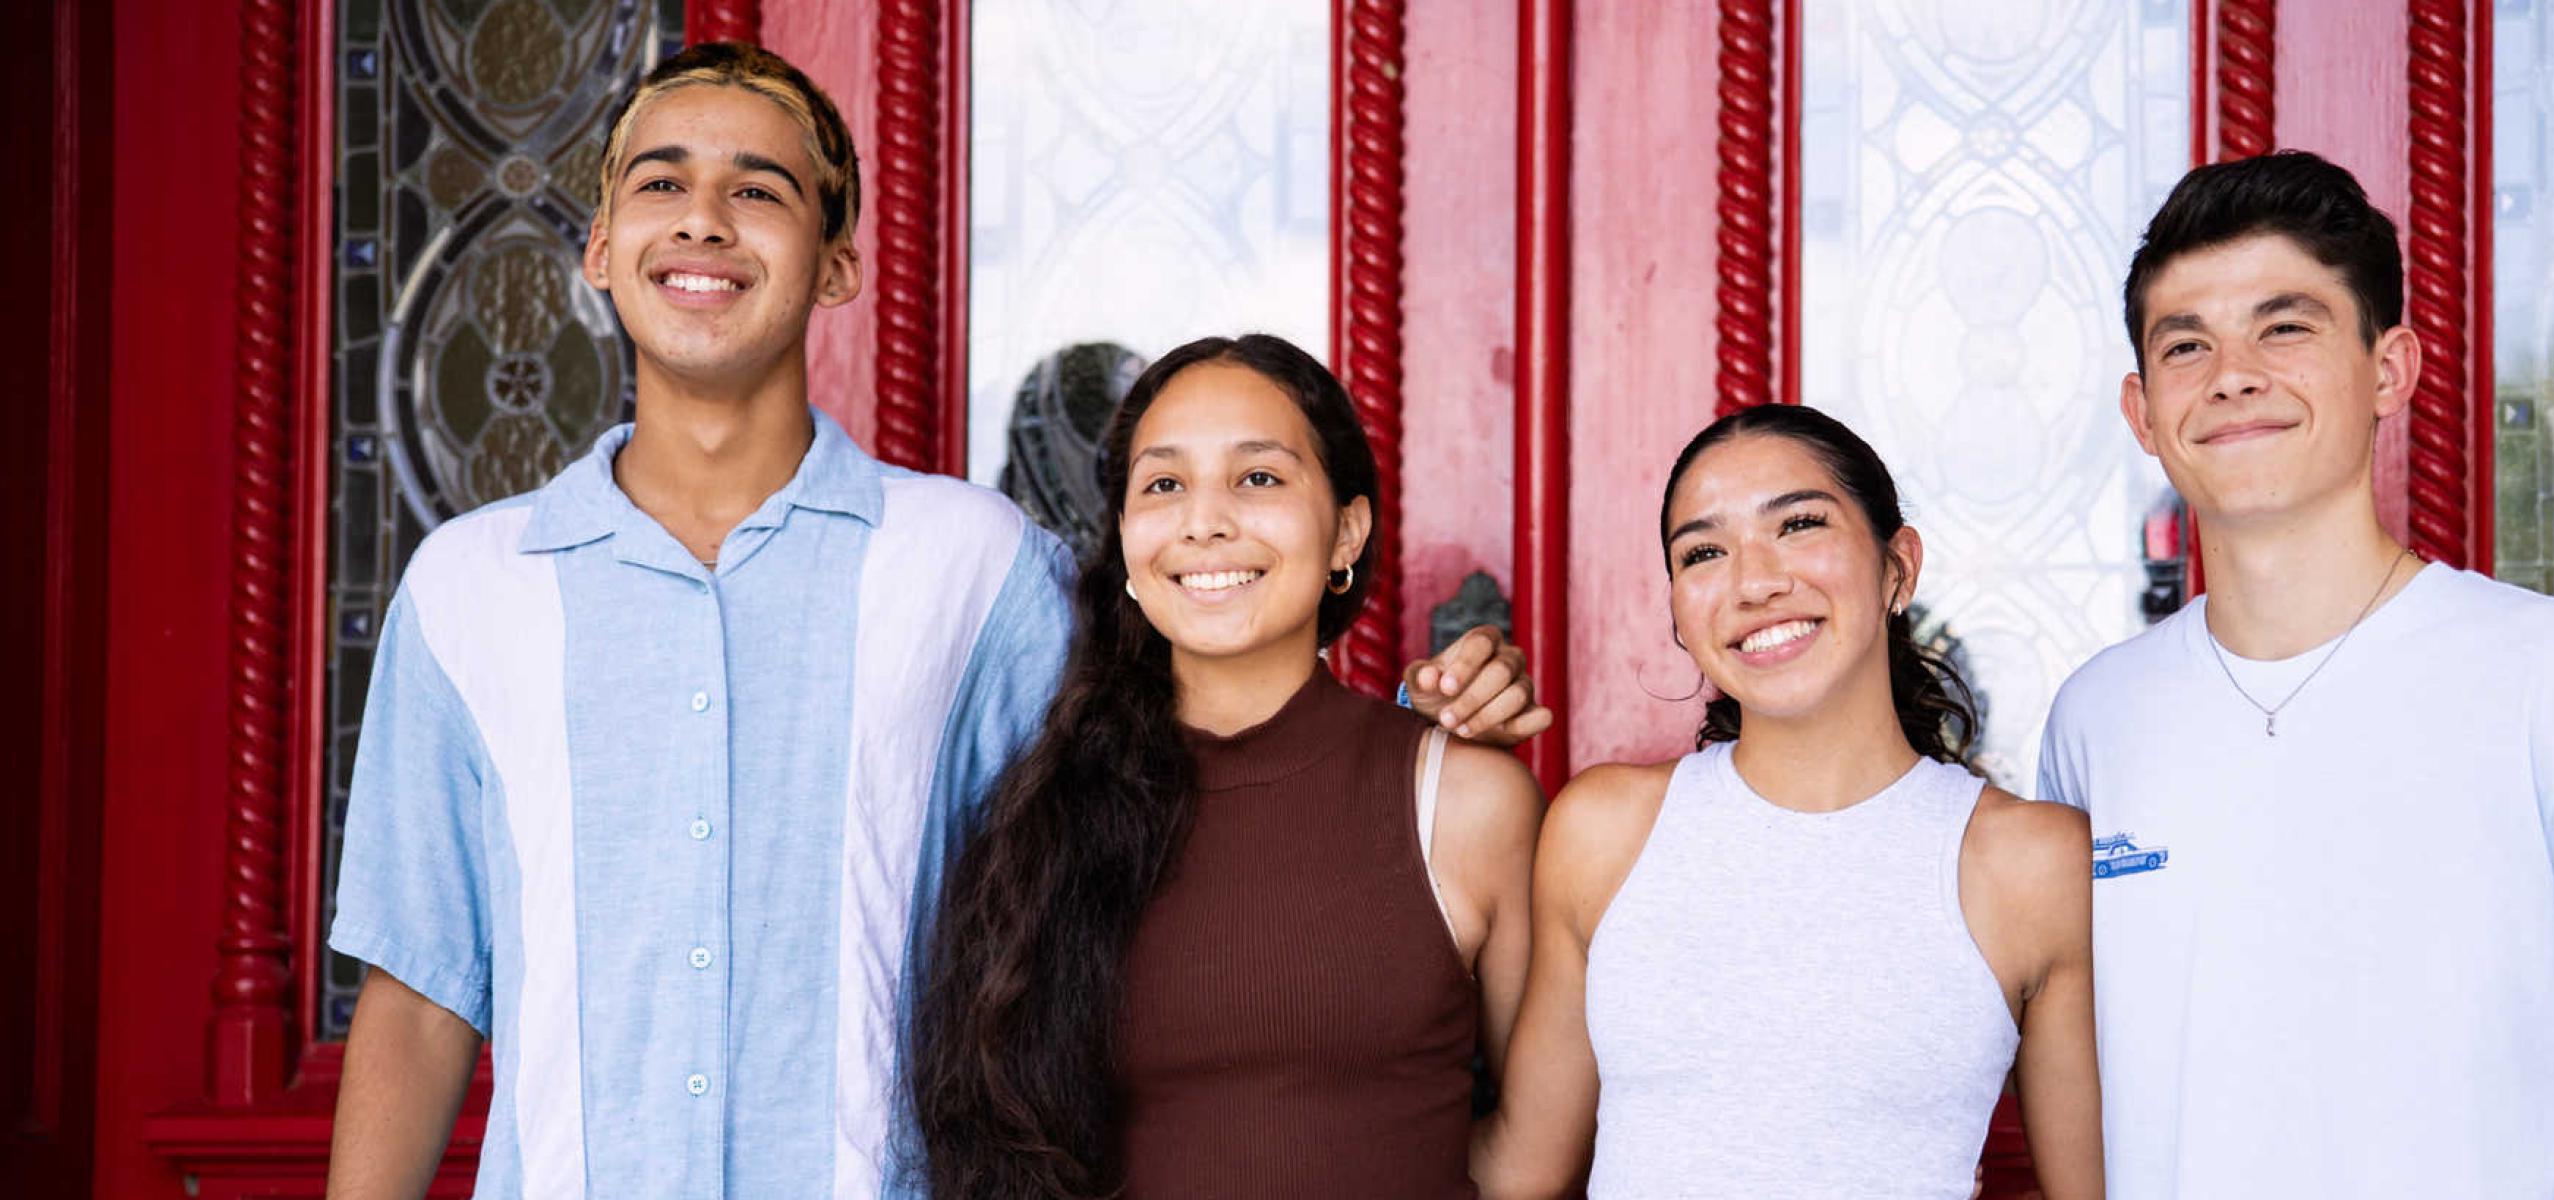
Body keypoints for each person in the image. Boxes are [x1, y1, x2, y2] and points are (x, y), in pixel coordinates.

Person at [325, 45, 1538, 1199]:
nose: (703, 218)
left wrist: (1411, 738)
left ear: (838, 263)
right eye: (662, 182)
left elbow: (1185, 753)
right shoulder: (469, 589)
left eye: (759, 189)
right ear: (598, 246)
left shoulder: (974, 566)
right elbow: (421, 996)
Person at [2036, 150, 2554, 1198]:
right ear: (2143, 410)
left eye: (2284, 327)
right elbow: (2082, 1078)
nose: (2233, 374)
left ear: (2389, 370)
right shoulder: (2096, 720)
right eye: (2185, 344)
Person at [907, 334, 1547, 1200]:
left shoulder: (1467, 803)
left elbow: (1531, 1160)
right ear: (1127, 538)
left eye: (1258, 478)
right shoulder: (1039, 812)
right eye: (1164, 484)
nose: (1204, 521)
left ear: (1346, 531)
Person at [1476, 404, 2102, 1199]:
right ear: (1676, 609)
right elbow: (1517, 1170)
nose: (1755, 582)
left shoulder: (2030, 862)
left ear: (1897, 569)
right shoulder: (1605, 831)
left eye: (1799, 525)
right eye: (1703, 552)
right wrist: (1415, 756)